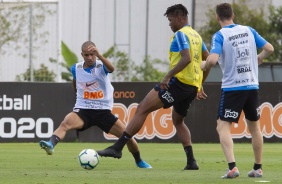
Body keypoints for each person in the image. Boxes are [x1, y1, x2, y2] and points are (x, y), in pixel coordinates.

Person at [97, 4, 210, 170]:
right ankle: (191, 161)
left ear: (179, 18)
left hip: (178, 83)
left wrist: (168, 75)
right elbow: (207, 61)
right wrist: (200, 85)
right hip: (191, 87)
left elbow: (185, 58)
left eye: (171, 20)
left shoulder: (181, 34)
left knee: (142, 108)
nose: (170, 24)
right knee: (178, 121)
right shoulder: (197, 36)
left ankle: (118, 147)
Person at [39, 41, 152, 169]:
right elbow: (75, 80)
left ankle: (139, 161)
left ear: (95, 54)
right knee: (66, 123)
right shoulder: (76, 68)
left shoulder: (101, 66)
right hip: (84, 110)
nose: (90, 57)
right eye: (86, 55)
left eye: (92, 54)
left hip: (103, 112)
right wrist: (77, 93)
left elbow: (112, 69)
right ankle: (51, 144)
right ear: (82, 55)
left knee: (128, 136)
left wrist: (100, 55)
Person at [200, 3, 274, 179]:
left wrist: (202, 65)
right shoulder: (249, 30)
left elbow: (212, 60)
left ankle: (232, 167)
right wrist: (259, 58)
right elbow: (269, 48)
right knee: (255, 127)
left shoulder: (220, 35)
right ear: (232, 15)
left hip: (233, 88)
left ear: (217, 18)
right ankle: (258, 168)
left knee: (222, 126)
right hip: (252, 86)